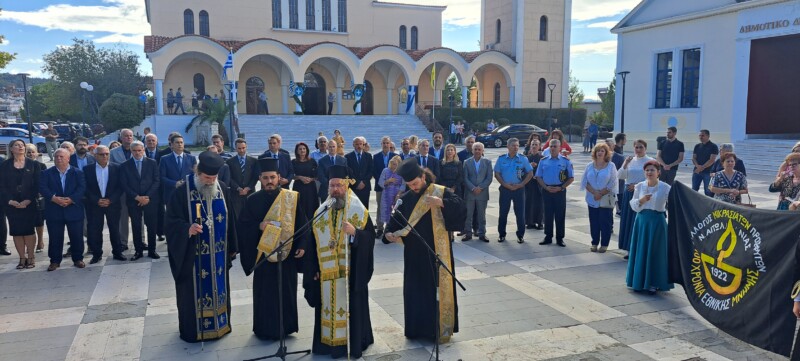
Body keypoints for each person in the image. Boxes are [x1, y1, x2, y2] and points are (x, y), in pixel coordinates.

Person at [384, 158, 465, 342]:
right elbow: (393, 223)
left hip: (436, 253)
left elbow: (461, 208)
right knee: (416, 293)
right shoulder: (405, 199)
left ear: (423, 176)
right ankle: (416, 330)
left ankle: (438, 330)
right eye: (409, 185)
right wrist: (389, 235)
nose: (413, 187)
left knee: (434, 293)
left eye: (415, 183)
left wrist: (441, 203)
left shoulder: (439, 192)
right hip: (413, 255)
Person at [303, 165, 375, 358]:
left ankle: (353, 343)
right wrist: (314, 269)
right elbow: (312, 242)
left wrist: (355, 234)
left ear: (347, 186)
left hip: (350, 272)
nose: (336, 189)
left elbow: (370, 238)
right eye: (332, 185)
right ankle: (327, 345)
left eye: (339, 185)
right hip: (327, 275)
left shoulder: (359, 211)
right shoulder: (321, 210)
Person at [165, 151, 237, 343]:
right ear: (198, 172)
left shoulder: (221, 188)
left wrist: (232, 247)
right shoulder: (182, 191)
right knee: (193, 293)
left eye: (214, 177)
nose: (210, 181)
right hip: (192, 258)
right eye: (207, 177)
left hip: (218, 257)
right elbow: (170, 221)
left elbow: (231, 221)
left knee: (219, 288)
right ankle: (193, 330)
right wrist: (187, 229)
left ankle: (221, 325)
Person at [238, 158, 308, 340]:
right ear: (260, 178)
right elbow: (243, 227)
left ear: (279, 177)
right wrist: (258, 226)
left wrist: (302, 245)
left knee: (287, 291)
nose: (269, 181)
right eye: (265, 178)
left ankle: (287, 327)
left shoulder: (291, 198)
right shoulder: (252, 200)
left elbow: (303, 222)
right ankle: (265, 329)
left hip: (287, 256)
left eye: (272, 177)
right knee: (266, 294)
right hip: (263, 257)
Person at [626, 160, 673, 295]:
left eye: (652, 170)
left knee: (655, 251)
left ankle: (654, 282)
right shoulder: (639, 186)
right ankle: (638, 281)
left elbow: (673, 204)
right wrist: (641, 201)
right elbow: (633, 204)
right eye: (647, 170)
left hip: (657, 222)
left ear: (658, 172)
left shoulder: (665, 187)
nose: (649, 172)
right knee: (641, 250)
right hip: (642, 221)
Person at [41, 148, 86, 271]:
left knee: (77, 236)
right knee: (55, 237)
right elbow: (43, 188)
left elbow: (82, 188)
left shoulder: (77, 172)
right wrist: (53, 198)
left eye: (61, 156)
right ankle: (55, 261)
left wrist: (71, 199)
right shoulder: (46, 173)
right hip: (54, 210)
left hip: (73, 209)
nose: (58, 159)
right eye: (56, 157)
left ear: (68, 158)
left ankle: (78, 258)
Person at [1, 140, 41, 267]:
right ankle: (22, 258)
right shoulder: (4, 165)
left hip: (28, 203)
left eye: (22, 145)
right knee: (16, 231)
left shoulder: (33, 164)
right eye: (17, 145)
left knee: (29, 230)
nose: (20, 147)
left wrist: (28, 199)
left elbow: (37, 185)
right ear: (11, 149)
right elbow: (2, 186)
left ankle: (31, 257)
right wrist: (9, 200)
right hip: (11, 204)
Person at [84, 145, 125, 263]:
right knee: (95, 230)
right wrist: (96, 200)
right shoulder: (88, 169)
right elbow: (85, 188)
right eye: (102, 154)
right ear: (95, 155)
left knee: (115, 229)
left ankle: (117, 252)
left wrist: (110, 200)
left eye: (107, 154)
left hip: (112, 204)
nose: (105, 156)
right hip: (94, 205)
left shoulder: (117, 168)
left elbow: (120, 187)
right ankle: (97, 254)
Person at [121, 141, 161, 260]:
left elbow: (156, 181)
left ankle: (152, 250)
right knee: (136, 226)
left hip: (150, 200)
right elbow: (124, 184)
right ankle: (138, 251)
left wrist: (147, 196)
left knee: (151, 226)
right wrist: (137, 197)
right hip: (134, 200)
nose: (137, 153)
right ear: (131, 151)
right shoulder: (125, 165)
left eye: (140, 150)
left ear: (143, 150)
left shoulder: (152, 163)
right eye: (135, 150)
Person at [617, 140, 654, 257]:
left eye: (641, 147)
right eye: (636, 147)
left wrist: (637, 185)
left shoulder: (650, 161)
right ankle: (628, 248)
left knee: (636, 222)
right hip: (628, 193)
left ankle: (637, 249)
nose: (638, 150)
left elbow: (653, 178)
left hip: (641, 193)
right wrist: (625, 164)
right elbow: (621, 176)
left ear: (645, 148)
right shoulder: (630, 161)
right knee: (628, 221)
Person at [494, 138, 534, 243]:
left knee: (520, 213)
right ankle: (501, 234)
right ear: (508, 146)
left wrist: (521, 184)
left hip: (519, 189)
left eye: (517, 145)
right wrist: (505, 184)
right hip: (505, 189)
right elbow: (497, 173)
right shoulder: (501, 159)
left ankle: (520, 235)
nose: (516, 147)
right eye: (513, 145)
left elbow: (530, 173)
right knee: (503, 213)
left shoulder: (523, 159)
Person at [535, 139, 574, 247]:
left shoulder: (565, 161)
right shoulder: (543, 161)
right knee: (547, 214)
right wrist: (546, 187)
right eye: (551, 146)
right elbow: (538, 176)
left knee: (560, 215)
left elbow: (570, 178)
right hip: (547, 189)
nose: (552, 148)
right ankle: (548, 236)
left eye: (555, 146)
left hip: (560, 190)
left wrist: (561, 187)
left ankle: (560, 238)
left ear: (559, 148)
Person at [580, 144, 618, 253]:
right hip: (592, 198)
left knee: (605, 222)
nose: (600, 153)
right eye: (598, 151)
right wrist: (594, 193)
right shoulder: (589, 166)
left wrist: (600, 194)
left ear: (606, 153)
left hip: (605, 198)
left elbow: (613, 182)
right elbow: (585, 181)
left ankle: (604, 244)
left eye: (602, 151)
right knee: (594, 222)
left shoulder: (611, 166)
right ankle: (594, 243)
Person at [462, 142, 492, 242]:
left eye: (479, 149)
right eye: (475, 149)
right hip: (470, 193)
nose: (477, 151)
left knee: (481, 215)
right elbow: (465, 178)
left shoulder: (487, 162)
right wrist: (473, 188)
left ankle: (482, 233)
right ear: (472, 150)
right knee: (468, 215)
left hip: (482, 193)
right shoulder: (466, 162)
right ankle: (468, 233)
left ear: (483, 151)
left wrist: (480, 187)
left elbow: (489, 178)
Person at [111, 129, 135, 250]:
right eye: (126, 136)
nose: (129, 138)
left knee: (138, 216)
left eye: (131, 136)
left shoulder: (139, 149)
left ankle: (141, 240)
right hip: (121, 189)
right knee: (123, 216)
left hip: (136, 189)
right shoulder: (113, 152)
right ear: (121, 138)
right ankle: (123, 242)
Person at [160, 135, 197, 205]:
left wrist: (186, 183)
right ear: (172, 145)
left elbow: (195, 175)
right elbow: (162, 177)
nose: (180, 144)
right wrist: (175, 183)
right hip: (171, 194)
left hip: (188, 194)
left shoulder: (191, 158)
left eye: (181, 142)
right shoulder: (164, 159)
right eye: (177, 142)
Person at [226, 138, 259, 216]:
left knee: (251, 214)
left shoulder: (254, 161)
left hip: (250, 193)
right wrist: (238, 188)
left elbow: (255, 176)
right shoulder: (230, 161)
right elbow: (229, 177)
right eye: (239, 148)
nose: (241, 150)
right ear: (236, 148)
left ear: (246, 147)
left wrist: (248, 188)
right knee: (238, 216)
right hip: (236, 194)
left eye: (243, 148)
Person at [372, 136, 397, 237]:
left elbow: (398, 171)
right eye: (384, 143)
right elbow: (375, 172)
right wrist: (384, 182)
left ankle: (389, 228)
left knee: (392, 208)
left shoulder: (395, 156)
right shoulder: (376, 156)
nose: (386, 145)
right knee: (380, 208)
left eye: (387, 143)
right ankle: (380, 228)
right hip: (380, 187)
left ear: (390, 144)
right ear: (381, 144)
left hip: (393, 187)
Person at [25, 144, 47, 253]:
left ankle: (40, 241)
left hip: (38, 197)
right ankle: (29, 243)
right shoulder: (20, 165)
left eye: (32, 151)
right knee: (27, 221)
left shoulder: (42, 165)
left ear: (36, 153)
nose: (30, 154)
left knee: (39, 221)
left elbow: (43, 182)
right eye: (28, 151)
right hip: (24, 197)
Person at [292, 142, 320, 221]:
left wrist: (311, 179)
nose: (302, 150)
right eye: (300, 149)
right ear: (297, 151)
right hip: (298, 187)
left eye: (304, 149)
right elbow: (291, 176)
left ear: (307, 150)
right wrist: (300, 177)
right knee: (299, 207)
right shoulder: (293, 162)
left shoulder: (312, 161)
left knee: (311, 207)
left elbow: (317, 176)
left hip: (310, 188)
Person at [377, 156, 405, 232]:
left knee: (396, 211)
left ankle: (392, 229)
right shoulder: (385, 170)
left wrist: (398, 194)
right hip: (386, 193)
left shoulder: (401, 171)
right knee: (384, 211)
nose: (393, 166)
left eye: (395, 164)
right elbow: (380, 183)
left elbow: (403, 184)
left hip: (397, 193)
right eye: (392, 163)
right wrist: (388, 181)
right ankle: (381, 229)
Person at [345, 136, 374, 209]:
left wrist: (363, 182)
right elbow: (348, 172)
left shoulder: (368, 156)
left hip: (365, 187)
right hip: (353, 187)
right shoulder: (348, 157)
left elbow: (371, 171)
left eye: (361, 144)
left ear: (363, 145)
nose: (359, 146)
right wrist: (357, 183)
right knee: (353, 208)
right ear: (353, 145)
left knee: (364, 209)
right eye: (357, 144)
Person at [691, 129, 718, 197]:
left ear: (708, 136)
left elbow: (712, 160)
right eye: (699, 135)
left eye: (702, 135)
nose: (700, 137)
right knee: (694, 190)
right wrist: (697, 166)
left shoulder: (713, 146)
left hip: (708, 172)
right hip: (697, 171)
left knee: (708, 191)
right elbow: (694, 158)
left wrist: (702, 167)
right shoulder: (697, 146)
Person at [525, 139, 544, 230]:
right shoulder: (526, 158)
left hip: (539, 184)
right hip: (528, 184)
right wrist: (529, 166)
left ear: (539, 146)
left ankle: (540, 222)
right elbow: (521, 170)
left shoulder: (542, 158)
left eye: (536, 144)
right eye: (532, 144)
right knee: (529, 202)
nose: (534, 146)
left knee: (540, 203)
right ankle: (529, 222)